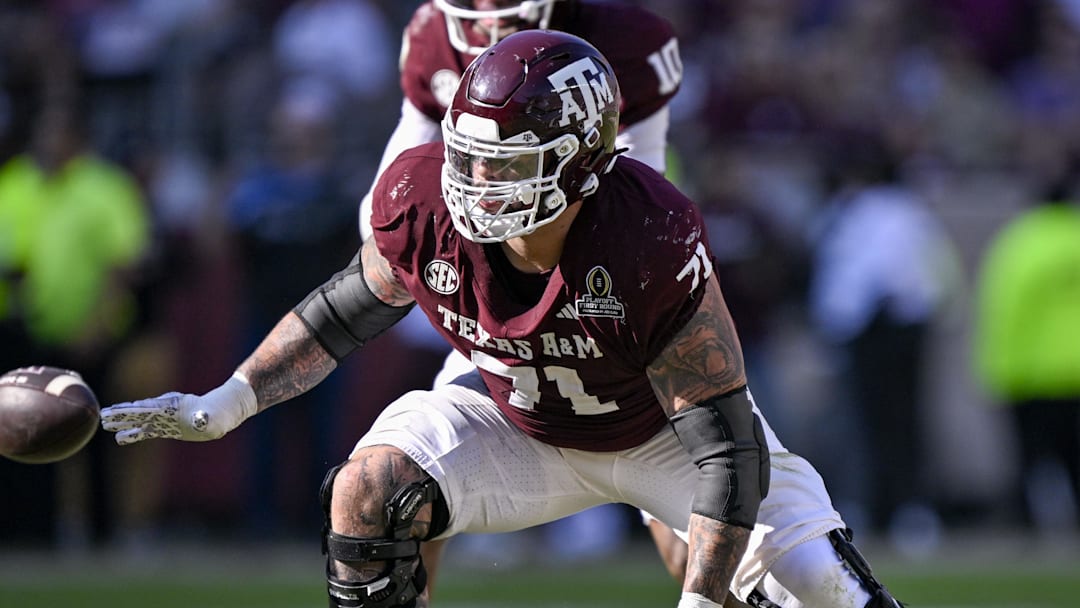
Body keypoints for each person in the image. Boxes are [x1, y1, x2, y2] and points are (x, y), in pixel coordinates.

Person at [101, 32, 901, 608]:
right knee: (368, 487)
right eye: (470, 158)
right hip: (513, 421)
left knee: (824, 591)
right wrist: (224, 404)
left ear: (581, 161)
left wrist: (699, 599)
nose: (479, 183)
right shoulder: (422, 198)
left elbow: (725, 449)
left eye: (508, 164)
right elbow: (341, 313)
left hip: (661, 435)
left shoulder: (646, 233)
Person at [357, 0, 684, 570]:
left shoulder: (624, 39)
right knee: (409, 485)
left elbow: (639, 193)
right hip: (497, 295)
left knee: (699, 531)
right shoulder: (435, 33)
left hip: (607, 292)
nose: (485, 10)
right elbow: (389, 194)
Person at [972, 174, 1080, 536]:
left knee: (1031, 460)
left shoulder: (1022, 243)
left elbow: (1006, 309)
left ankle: (1029, 532)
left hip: (1034, 372)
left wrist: (999, 370)